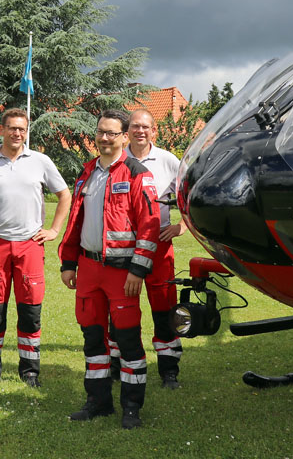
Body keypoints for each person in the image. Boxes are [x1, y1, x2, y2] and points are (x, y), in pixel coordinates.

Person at [0, 108, 71, 388]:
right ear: (1, 131)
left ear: (26, 132)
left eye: (22, 129)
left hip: (30, 245)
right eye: (12, 128)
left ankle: (29, 369)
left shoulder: (40, 161)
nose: (17, 133)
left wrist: (54, 230)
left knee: (30, 310)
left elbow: (64, 194)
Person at [59, 109, 160, 430]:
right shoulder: (87, 172)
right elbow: (76, 221)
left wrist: (138, 270)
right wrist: (68, 263)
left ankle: (131, 408)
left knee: (128, 342)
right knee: (93, 340)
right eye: (100, 132)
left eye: (111, 133)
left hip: (123, 274)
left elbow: (150, 226)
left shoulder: (137, 174)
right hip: (89, 270)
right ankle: (98, 402)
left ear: (124, 136)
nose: (104, 138)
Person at [121, 108, 187, 389]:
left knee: (164, 308)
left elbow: (188, 196)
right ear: (127, 131)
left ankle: (169, 369)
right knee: (123, 308)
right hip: (123, 247)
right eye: (135, 126)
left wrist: (180, 226)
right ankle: (119, 365)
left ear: (154, 131)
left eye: (145, 127)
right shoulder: (118, 161)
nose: (140, 131)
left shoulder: (168, 160)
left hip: (159, 246)